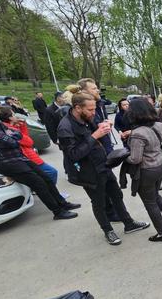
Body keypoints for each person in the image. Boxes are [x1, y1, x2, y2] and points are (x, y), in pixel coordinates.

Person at [0, 96, 79, 219]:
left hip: (16, 157)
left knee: (46, 178)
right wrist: (11, 137)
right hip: (1, 161)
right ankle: (57, 212)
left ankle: (63, 204)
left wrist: (11, 136)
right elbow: (10, 141)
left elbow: (15, 134)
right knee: (38, 183)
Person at [57, 92, 149, 245]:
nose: (94, 113)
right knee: (99, 202)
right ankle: (108, 231)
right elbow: (73, 155)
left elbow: (95, 129)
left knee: (117, 195)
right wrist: (94, 135)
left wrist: (102, 126)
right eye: (90, 110)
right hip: (88, 172)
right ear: (78, 108)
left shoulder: (87, 118)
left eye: (94, 109)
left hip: (103, 165)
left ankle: (129, 223)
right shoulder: (65, 127)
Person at [125, 98, 162, 242]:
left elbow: (135, 159)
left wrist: (124, 158)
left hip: (147, 171)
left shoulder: (137, 133)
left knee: (150, 202)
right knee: (156, 196)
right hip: (160, 166)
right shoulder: (158, 125)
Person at [0, 107, 59, 184]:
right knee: (51, 172)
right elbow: (29, 142)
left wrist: (22, 126)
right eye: (13, 114)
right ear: (10, 118)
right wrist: (20, 127)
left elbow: (26, 138)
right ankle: (52, 191)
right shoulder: (10, 130)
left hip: (28, 155)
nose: (16, 116)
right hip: (28, 157)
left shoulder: (11, 127)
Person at [78, 78, 113, 153]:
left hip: (106, 150)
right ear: (84, 92)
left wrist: (108, 124)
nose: (98, 90)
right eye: (94, 89)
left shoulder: (100, 104)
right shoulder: (80, 111)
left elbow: (103, 125)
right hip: (95, 155)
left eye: (97, 88)